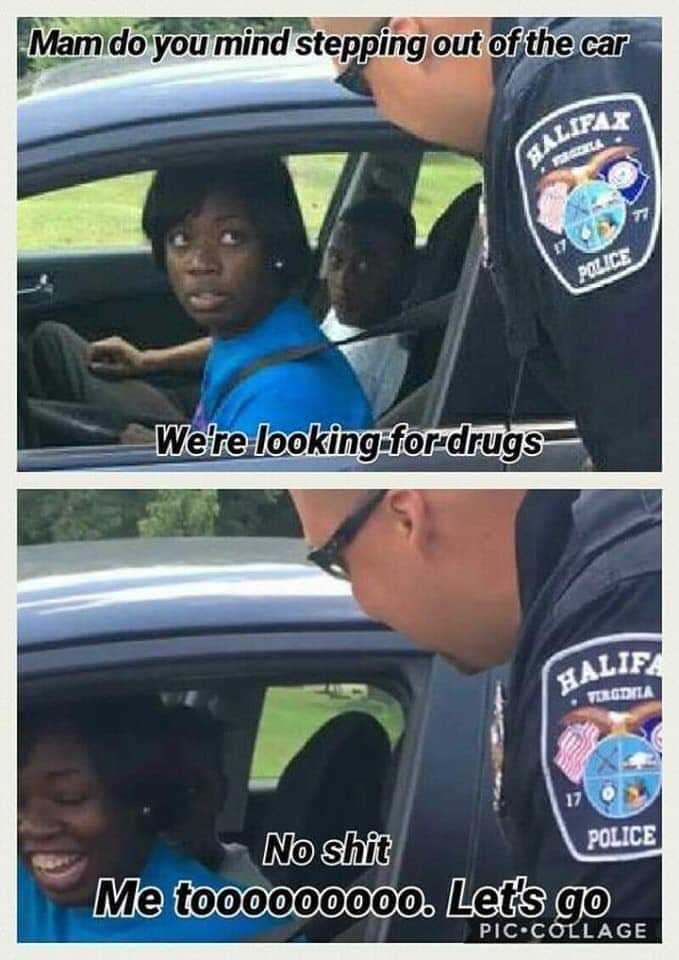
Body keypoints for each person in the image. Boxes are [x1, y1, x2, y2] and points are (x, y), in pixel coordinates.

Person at [291, 489, 661, 936]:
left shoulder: (618, 612)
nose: (361, 602)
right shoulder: (594, 577)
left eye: (336, 561)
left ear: (406, 518)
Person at [310, 17, 661, 471]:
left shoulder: (567, 100)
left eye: (360, 81)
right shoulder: (562, 76)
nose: (379, 109)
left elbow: (642, 422)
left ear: (407, 41)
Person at [29, 156, 373, 442]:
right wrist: (149, 361)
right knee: (52, 340)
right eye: (181, 239)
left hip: (201, 460)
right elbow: (233, 348)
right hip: (205, 436)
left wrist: (157, 456)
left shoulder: (286, 400)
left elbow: (234, 513)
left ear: (275, 247)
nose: (200, 262)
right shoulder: (267, 327)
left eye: (230, 237)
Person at [18, 698, 294, 942]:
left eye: (68, 797)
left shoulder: (247, 932)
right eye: (14, 801)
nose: (32, 825)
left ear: (139, 794)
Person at [321, 197, 416, 416]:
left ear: (404, 273)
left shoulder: (364, 374)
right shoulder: (350, 312)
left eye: (364, 266)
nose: (343, 280)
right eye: (335, 260)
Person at [161, 705, 271, 888]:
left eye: (193, 789)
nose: (176, 806)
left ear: (221, 794)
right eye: (160, 789)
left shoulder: (249, 895)